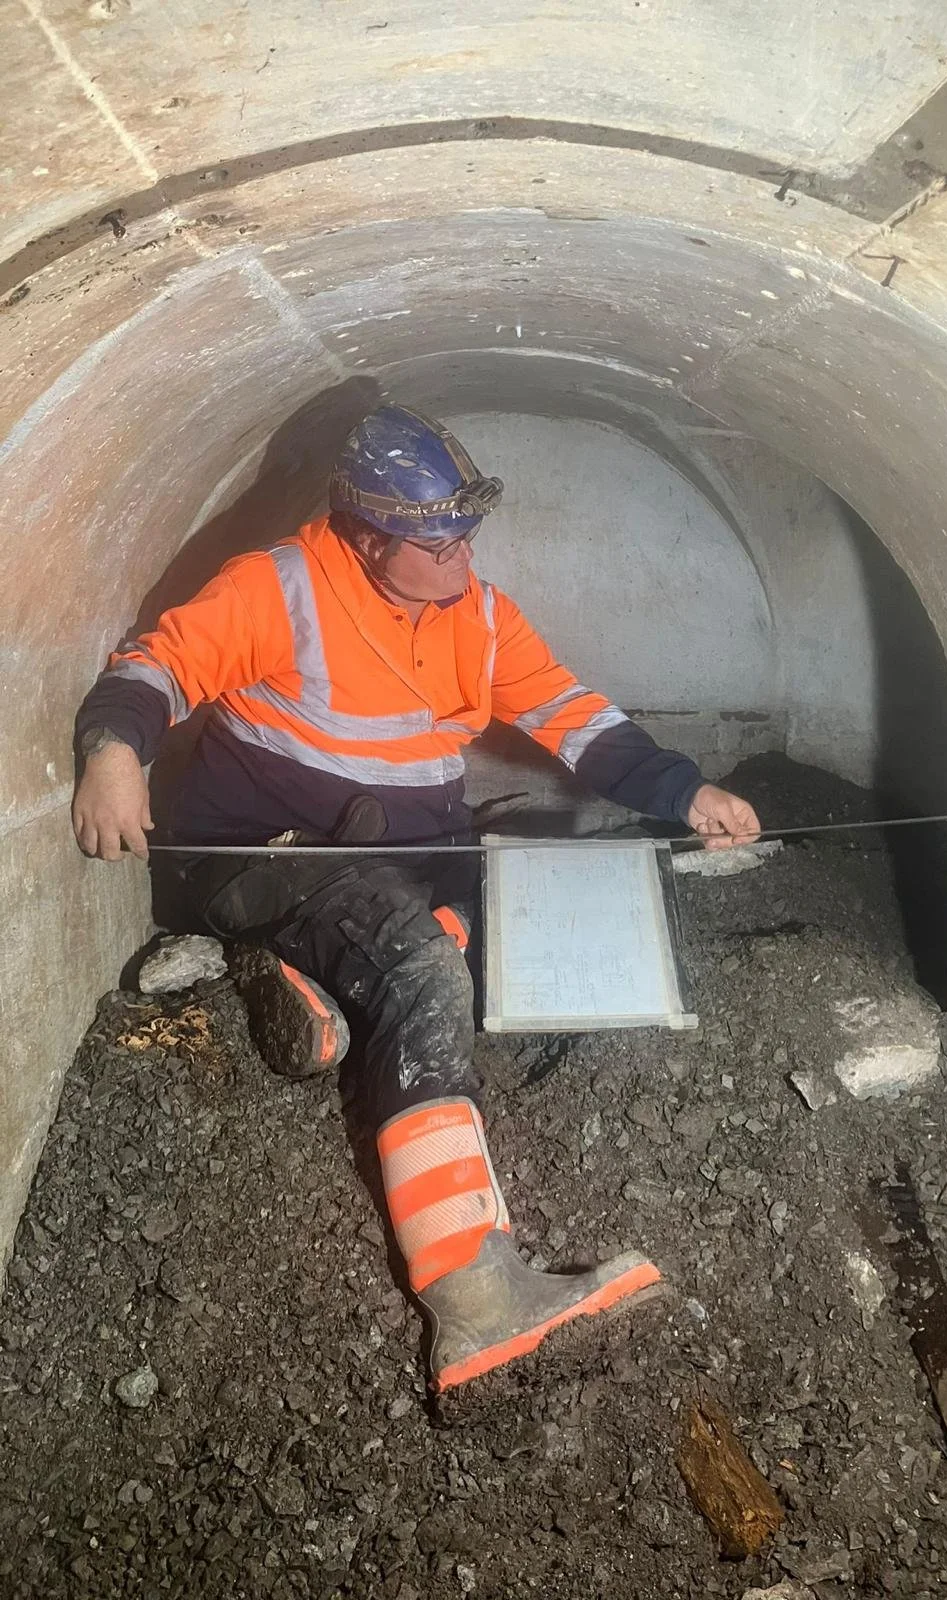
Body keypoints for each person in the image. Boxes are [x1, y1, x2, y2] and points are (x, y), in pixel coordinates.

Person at [72, 405, 762, 1391]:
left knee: (491, 927)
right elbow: (156, 664)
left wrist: (686, 789)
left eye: (467, 535)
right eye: (439, 544)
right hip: (267, 852)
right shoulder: (282, 586)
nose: (462, 560)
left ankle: (303, 979)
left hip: (403, 851)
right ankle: (474, 1301)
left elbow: (570, 714)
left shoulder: (475, 610)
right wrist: (113, 755)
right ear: (365, 536)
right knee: (418, 967)